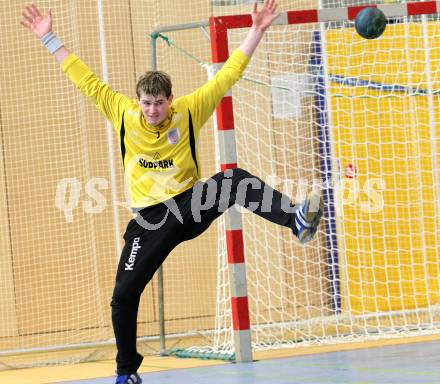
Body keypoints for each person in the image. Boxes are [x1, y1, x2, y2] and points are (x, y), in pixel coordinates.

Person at [21, 1, 323, 383]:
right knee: (123, 297)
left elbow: (227, 75)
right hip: (149, 221)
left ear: (170, 99)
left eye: (158, 103)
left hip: (188, 205)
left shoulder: (190, 110)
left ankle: (295, 220)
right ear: (138, 101)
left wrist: (257, 31)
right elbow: (85, 80)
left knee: (233, 181)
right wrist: (48, 37)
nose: (151, 110)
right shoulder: (124, 114)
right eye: (146, 103)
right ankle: (126, 372)